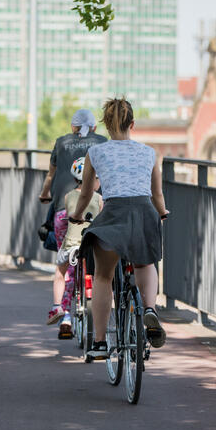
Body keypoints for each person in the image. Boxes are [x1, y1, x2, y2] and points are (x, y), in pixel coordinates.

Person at [69, 97, 169, 359]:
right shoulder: (149, 152)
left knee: (103, 275)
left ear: (105, 125)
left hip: (113, 215)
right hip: (144, 212)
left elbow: (87, 193)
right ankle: (149, 308)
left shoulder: (96, 153)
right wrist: (162, 212)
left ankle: (101, 343)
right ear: (132, 123)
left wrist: (77, 215)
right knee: (145, 264)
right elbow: (156, 195)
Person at [39, 108, 106, 326]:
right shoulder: (102, 141)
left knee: (65, 261)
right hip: (97, 209)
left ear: (72, 127)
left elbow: (51, 175)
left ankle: (64, 313)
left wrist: (44, 194)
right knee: (99, 260)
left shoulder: (61, 142)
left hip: (64, 211)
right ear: (94, 128)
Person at [50, 156, 102, 339]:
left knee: (61, 274)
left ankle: (58, 308)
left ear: (74, 179)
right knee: (102, 275)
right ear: (95, 179)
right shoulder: (99, 198)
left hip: (72, 245)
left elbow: (69, 217)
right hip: (94, 246)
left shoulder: (67, 196)